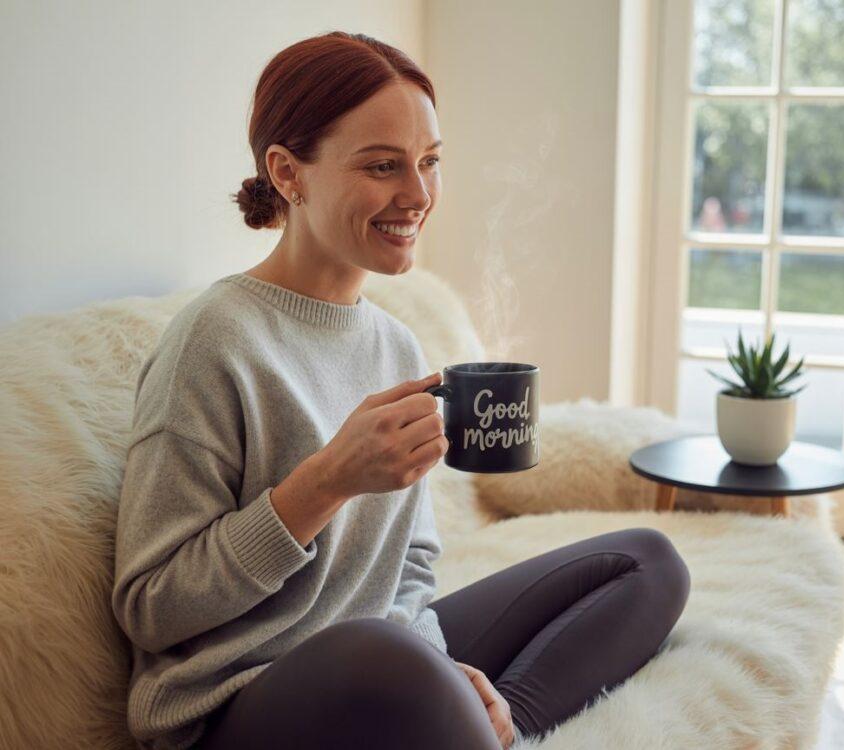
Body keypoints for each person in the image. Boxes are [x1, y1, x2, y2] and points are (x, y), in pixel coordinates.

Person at [111, 31, 691, 750]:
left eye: (430, 162)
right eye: (384, 166)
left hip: (384, 670)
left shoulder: (395, 344)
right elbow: (151, 607)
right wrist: (325, 482)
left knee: (647, 563)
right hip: (240, 707)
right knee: (384, 655)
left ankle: (487, 725)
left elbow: (410, 566)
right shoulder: (214, 342)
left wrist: (448, 668)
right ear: (289, 173)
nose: (417, 195)